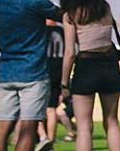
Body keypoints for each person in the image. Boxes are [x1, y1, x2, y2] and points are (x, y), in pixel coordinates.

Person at [0, 0, 61, 151]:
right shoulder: (36, 1)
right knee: (29, 128)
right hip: (33, 72)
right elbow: (63, 16)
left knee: (3, 128)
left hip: (6, 71)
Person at [59, 0, 120, 151]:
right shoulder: (105, 9)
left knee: (84, 127)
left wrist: (64, 84)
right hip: (110, 66)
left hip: (86, 67)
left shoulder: (70, 15)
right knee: (112, 122)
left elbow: (70, 52)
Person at [38, 19, 75, 151]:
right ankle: (51, 141)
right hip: (58, 73)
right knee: (51, 109)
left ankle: (43, 137)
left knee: (36, 109)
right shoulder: (63, 31)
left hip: (42, 71)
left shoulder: (41, 30)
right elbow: (69, 52)